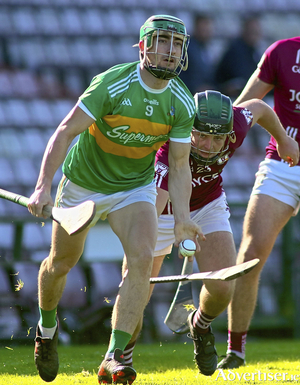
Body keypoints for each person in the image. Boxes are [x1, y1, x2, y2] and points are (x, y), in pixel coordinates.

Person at [27, 14, 203, 384]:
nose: (170, 52)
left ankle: (114, 356)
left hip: (134, 188)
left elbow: (180, 164)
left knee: (141, 259)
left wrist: (184, 216)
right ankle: (46, 331)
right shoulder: (112, 83)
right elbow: (64, 132)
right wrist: (43, 186)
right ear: (143, 47)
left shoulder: (182, 103)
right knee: (60, 264)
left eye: (176, 44)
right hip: (84, 184)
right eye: (162, 42)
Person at [121, 90, 299, 377]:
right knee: (135, 290)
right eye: (201, 136)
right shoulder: (169, 148)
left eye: (217, 138)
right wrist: (172, 229)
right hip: (163, 210)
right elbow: (155, 206)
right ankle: (122, 360)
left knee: (223, 287)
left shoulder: (237, 125)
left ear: (229, 134)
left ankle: (200, 325)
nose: (208, 145)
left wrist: (283, 139)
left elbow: (259, 107)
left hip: (208, 204)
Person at [218, 36, 300, 370]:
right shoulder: (282, 51)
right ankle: (235, 351)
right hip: (282, 165)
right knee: (251, 255)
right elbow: (242, 107)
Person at [214, 14, 263, 98]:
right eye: (251, 31)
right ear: (244, 30)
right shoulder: (235, 50)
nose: (254, 35)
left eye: (256, 32)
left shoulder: (254, 51)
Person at [180, 13, 216, 95]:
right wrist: (195, 87)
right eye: (203, 28)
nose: (206, 31)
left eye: (208, 28)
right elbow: (180, 74)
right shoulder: (186, 47)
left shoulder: (205, 49)